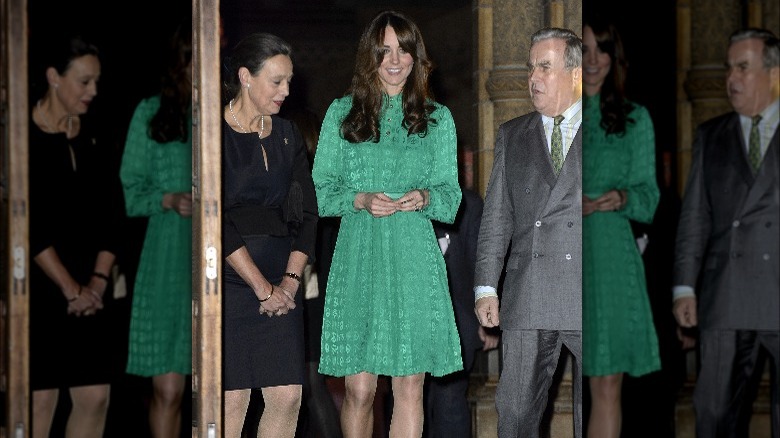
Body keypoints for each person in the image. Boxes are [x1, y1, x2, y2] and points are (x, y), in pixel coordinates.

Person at [311, 10, 463, 437]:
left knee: (410, 387)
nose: (394, 61)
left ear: (417, 56)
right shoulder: (342, 113)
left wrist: (427, 196)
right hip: (359, 255)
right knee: (359, 389)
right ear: (369, 57)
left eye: (403, 50)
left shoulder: (438, 119)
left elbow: (451, 195)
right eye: (384, 51)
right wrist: (359, 198)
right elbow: (319, 191)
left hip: (414, 256)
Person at [473, 27, 583, 438]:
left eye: (545, 67)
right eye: (530, 67)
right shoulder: (511, 134)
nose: (533, 77)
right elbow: (496, 218)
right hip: (529, 292)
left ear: (575, 73)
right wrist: (486, 286)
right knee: (515, 416)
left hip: (590, 291)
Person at [672, 27, 779, 438]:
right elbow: (694, 217)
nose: (731, 78)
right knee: (714, 417)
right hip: (726, 297)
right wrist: (684, 286)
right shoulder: (711, 135)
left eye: (743, 68)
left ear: (772, 73)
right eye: (728, 68)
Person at [220, 32, 318, 438]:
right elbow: (214, 219)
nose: (286, 90)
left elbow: (307, 214)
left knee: (287, 396)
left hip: (283, 284)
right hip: (230, 281)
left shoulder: (287, 135)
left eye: (289, 81)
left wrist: (290, 283)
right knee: (231, 401)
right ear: (245, 76)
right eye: (277, 81)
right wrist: (261, 287)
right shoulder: (212, 134)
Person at [29, 34, 123, 438]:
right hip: (40, 287)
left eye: (97, 81)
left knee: (94, 396)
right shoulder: (22, 136)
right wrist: (69, 288)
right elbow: (28, 224)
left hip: (91, 287)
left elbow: (112, 215)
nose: (93, 90)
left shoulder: (95, 133)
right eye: (84, 81)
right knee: (39, 400)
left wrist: (97, 283)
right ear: (53, 76)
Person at [580, 17, 661, 438]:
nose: (593, 60)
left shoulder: (635, 118)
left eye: (602, 49)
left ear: (615, 57)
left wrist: (622, 197)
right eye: (586, 49)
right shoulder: (559, 115)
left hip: (611, 251)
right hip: (564, 251)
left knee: (607, 380)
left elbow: (649, 195)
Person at [119, 18, 192, 438]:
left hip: (218, 251)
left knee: (221, 387)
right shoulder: (151, 112)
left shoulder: (225, 111)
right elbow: (130, 188)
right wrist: (168, 199)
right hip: (166, 253)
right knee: (168, 389)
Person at [425, 186, 500, 438]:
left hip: (457, 325)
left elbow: (480, 262)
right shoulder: (396, 200)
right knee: (408, 402)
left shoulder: (467, 203)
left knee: (449, 401)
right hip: (411, 323)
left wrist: (486, 324)